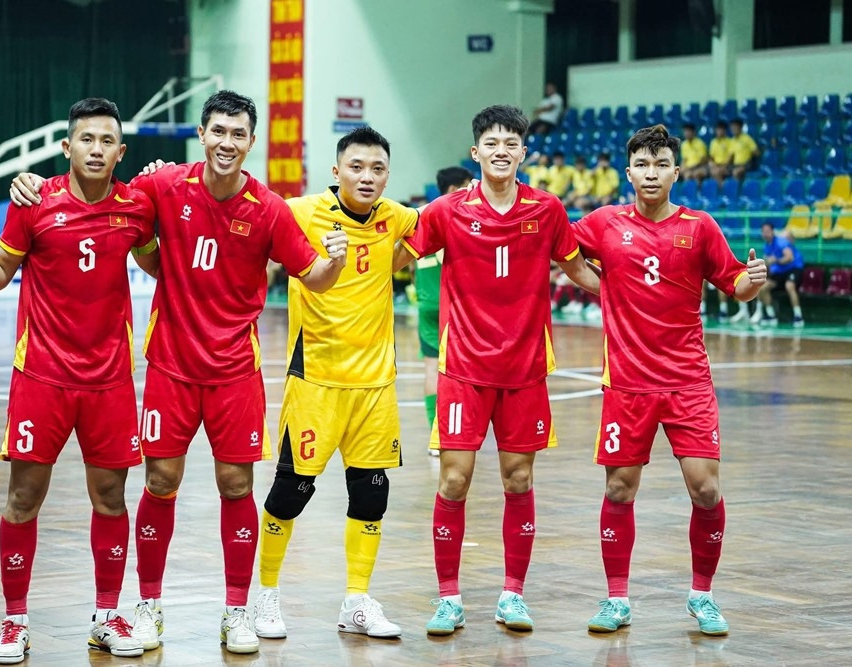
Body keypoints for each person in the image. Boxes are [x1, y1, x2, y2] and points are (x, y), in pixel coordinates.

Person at [8, 90, 348, 655]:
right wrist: (30, 186)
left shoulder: (268, 209)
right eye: (218, 130)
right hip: (169, 366)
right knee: (160, 483)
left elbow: (313, 277)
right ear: (201, 132)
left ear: (251, 142)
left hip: (236, 372)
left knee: (236, 485)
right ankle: (148, 607)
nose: (227, 142)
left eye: (238, 134)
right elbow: (99, 195)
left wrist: (333, 262)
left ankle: (236, 611)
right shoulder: (164, 186)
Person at [394, 105, 601, 636]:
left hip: (525, 370)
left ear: (524, 153)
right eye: (492, 141)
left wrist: (638, 293)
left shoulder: (549, 209)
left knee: (519, 478)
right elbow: (400, 255)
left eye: (512, 141)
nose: (502, 149)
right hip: (463, 367)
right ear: (476, 152)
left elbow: (578, 268)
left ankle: (512, 595)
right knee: (455, 480)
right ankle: (448, 599)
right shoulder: (446, 210)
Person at [0, 97, 159, 664]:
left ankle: (107, 615)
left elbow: (159, 265)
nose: (96, 149)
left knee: (110, 497)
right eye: (87, 139)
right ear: (67, 146)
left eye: (107, 141)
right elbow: (2, 274)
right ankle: (14, 622)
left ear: (121, 151)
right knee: (24, 498)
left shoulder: (137, 207)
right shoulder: (33, 202)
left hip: (109, 382)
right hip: (42, 378)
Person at [572, 124, 767, 637]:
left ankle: (702, 595)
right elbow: (562, 253)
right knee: (619, 488)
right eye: (643, 164)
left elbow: (736, 283)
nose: (652, 173)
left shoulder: (700, 227)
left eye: (662, 164)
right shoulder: (603, 223)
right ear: (628, 172)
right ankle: (616, 599)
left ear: (677, 172)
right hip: (628, 385)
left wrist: (753, 282)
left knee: (705, 489)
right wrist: (599, 285)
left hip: (687, 382)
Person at [252, 127, 419, 641]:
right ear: (336, 170)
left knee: (371, 495)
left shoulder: (398, 218)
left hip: (375, 388)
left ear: (387, 175)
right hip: (316, 382)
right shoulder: (299, 211)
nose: (367, 177)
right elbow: (240, 201)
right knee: (291, 491)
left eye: (377, 169)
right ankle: (266, 596)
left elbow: (458, 220)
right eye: (357, 167)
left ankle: (357, 600)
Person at [415, 166, 474, 449]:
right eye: (466, 186)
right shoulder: (451, 214)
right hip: (449, 302)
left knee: (430, 369)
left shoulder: (417, 214)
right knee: (455, 372)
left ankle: (434, 436)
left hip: (425, 301)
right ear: (453, 190)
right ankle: (453, 434)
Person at [754, 221, 804, 326]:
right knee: (763, 287)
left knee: (789, 286)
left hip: (793, 268)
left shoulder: (781, 242)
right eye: (763, 231)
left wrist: (776, 260)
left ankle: (798, 316)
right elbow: (769, 263)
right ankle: (771, 316)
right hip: (780, 272)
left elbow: (789, 257)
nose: (766, 233)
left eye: (768, 231)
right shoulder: (766, 247)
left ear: (772, 232)